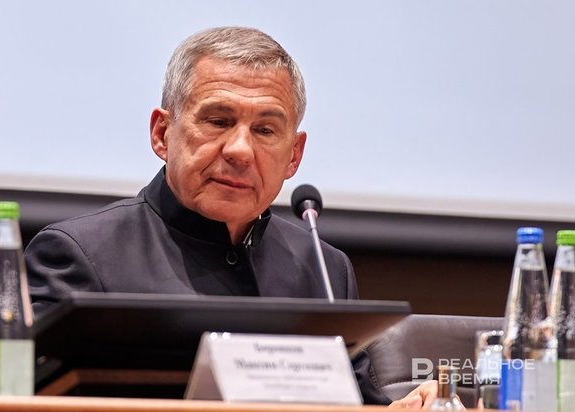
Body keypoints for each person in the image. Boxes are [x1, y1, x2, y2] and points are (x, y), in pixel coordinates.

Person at [24, 26, 437, 408]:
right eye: (218, 121)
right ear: (162, 134)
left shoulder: (325, 270)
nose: (240, 150)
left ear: (294, 156)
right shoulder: (81, 255)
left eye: (265, 130)